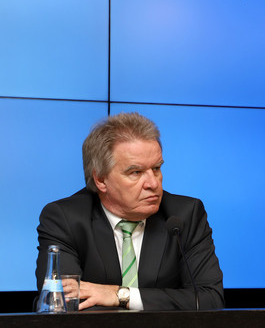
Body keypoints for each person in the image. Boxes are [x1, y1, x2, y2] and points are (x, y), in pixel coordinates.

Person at [35, 112, 224, 311]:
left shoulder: (185, 215)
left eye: (157, 168)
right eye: (136, 172)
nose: (153, 183)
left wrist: (120, 295)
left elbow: (208, 300)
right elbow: (62, 304)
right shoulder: (65, 219)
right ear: (100, 179)